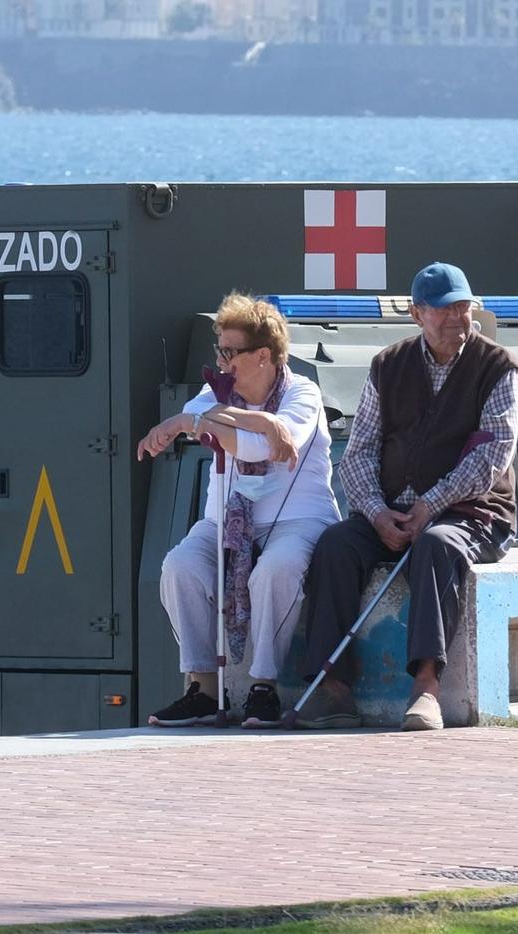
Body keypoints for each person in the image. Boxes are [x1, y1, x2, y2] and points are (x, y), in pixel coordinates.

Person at [296, 262, 518, 733]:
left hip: (473, 512)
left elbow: (491, 460)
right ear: (417, 313)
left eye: (464, 307)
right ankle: (333, 689)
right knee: (336, 545)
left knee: (436, 545)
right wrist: (378, 515)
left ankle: (426, 689)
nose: (458, 319)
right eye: (445, 310)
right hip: (395, 508)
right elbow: (358, 454)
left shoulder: (500, 369)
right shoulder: (388, 366)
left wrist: (432, 504)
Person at [137, 293, 338, 729]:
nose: (221, 361)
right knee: (180, 566)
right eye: (219, 351)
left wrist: (202, 422)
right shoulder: (216, 392)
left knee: (276, 570)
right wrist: (248, 418)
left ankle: (262, 686)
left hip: (298, 519)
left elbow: (259, 447)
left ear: (263, 355)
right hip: (228, 519)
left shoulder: (302, 393)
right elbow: (195, 418)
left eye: (231, 352)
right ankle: (204, 688)